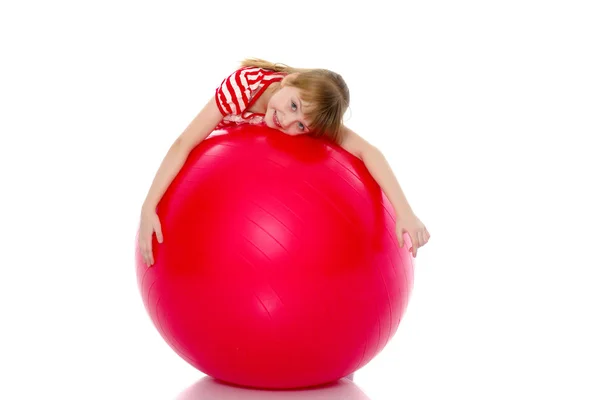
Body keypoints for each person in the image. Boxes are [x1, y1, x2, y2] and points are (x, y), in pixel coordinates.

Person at [139, 58, 430, 266]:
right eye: (293, 106)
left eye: (302, 126)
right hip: (230, 174)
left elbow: (369, 152)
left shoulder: (311, 118)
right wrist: (149, 206)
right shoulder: (243, 87)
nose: (288, 121)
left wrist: (405, 212)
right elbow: (183, 143)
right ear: (289, 82)